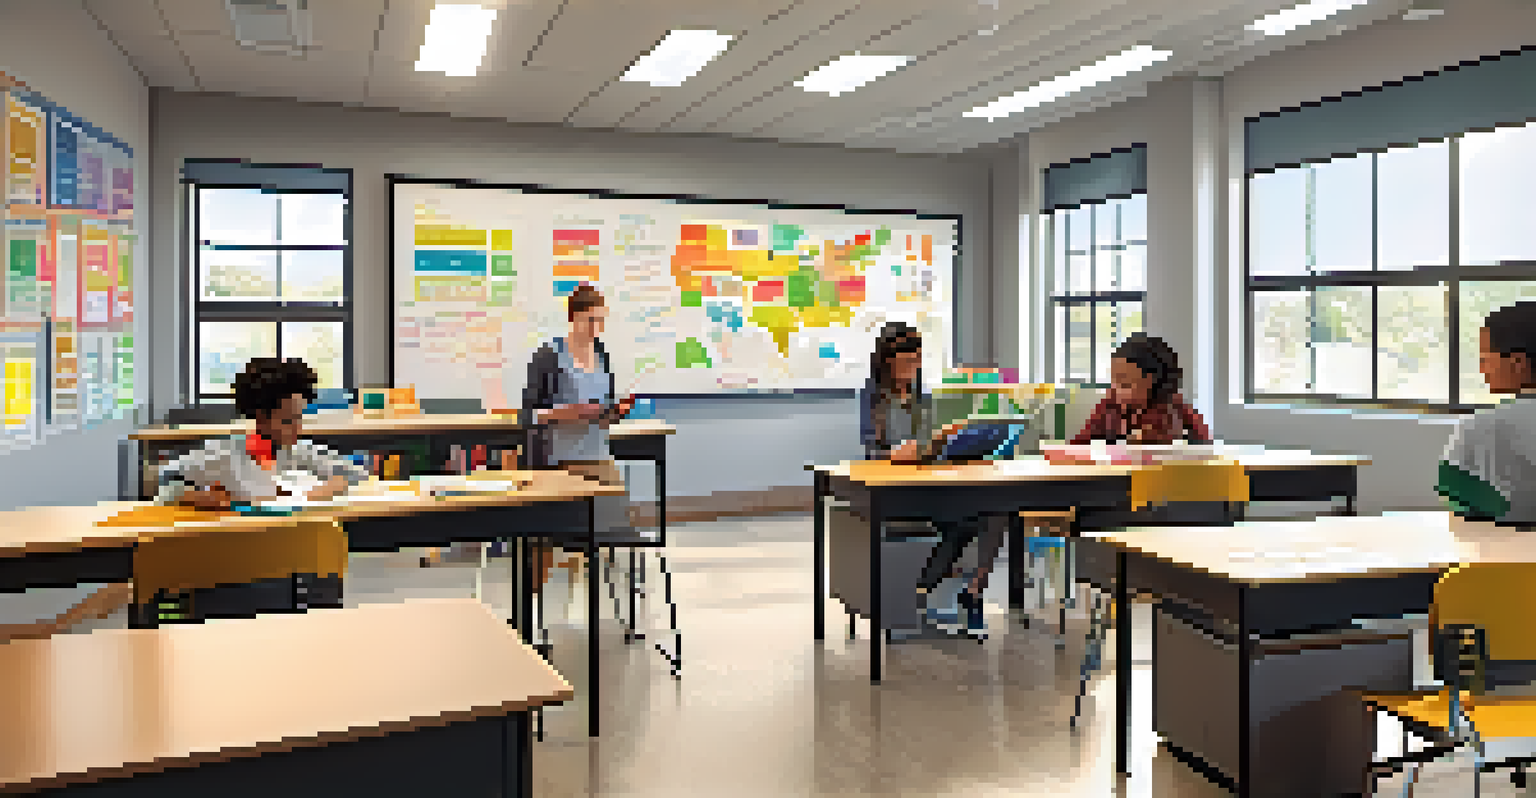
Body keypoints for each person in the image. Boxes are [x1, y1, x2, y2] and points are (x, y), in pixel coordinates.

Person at [859, 322, 998, 639]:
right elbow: (871, 449)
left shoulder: (922, 395)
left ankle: (930, 588)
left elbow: (927, 444)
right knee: (958, 522)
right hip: (892, 487)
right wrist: (893, 455)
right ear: (888, 361)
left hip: (926, 481)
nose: (913, 367)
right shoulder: (874, 396)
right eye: (907, 361)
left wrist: (942, 442)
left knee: (976, 518)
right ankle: (917, 589)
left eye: (917, 361)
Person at [157, 357, 368, 509]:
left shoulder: (301, 452)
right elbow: (166, 483)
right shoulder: (223, 455)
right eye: (287, 421)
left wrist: (326, 489)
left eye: (299, 418)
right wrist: (198, 497)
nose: (298, 428)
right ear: (261, 418)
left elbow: (356, 474)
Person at [520, 284, 635, 485]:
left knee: (614, 511)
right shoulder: (549, 355)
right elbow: (528, 415)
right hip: (560, 461)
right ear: (573, 317)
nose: (595, 327)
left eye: (600, 320)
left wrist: (615, 412)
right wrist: (569, 412)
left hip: (598, 456)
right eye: (590, 320)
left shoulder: (602, 356)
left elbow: (603, 417)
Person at [1437, 301, 1536, 526]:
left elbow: (1455, 497)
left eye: (1485, 359)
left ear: (1518, 363)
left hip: (1501, 556)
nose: (1482, 369)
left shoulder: (1480, 426)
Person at [1070, 333, 1212, 446]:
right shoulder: (1109, 407)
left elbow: (1204, 443)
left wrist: (1171, 439)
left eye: (1124, 384)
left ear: (1152, 381)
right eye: (1113, 382)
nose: (1114, 390)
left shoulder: (1174, 408)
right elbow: (1081, 444)